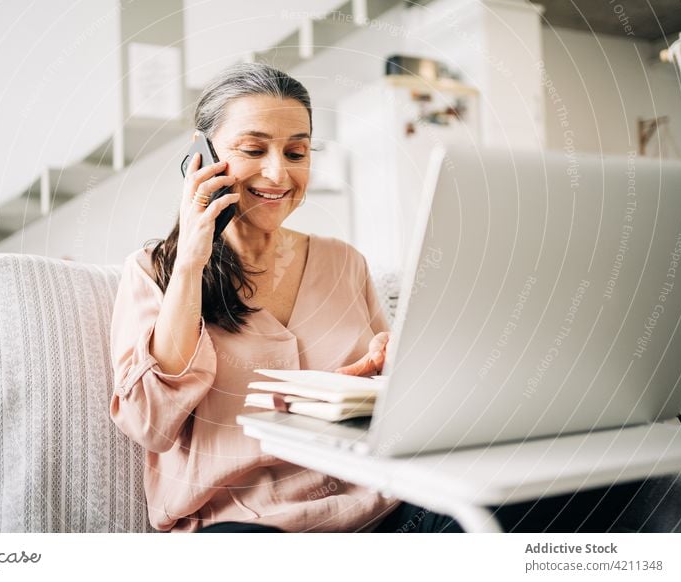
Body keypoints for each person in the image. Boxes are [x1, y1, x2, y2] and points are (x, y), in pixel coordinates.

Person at [108, 62, 461, 533]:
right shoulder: (155, 271)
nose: (278, 173)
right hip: (248, 528)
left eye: (296, 152)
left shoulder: (345, 262)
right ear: (201, 157)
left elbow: (396, 409)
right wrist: (191, 263)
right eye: (254, 149)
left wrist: (398, 370)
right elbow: (149, 424)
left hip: (384, 510)